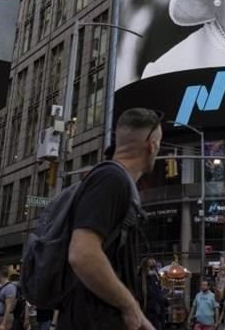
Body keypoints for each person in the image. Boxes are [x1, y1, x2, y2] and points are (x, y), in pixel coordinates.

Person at [60, 108, 162, 329]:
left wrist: (140, 317)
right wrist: (129, 307)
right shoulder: (111, 179)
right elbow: (82, 254)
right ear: (151, 145)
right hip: (93, 320)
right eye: (159, 144)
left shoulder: (115, 180)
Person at [140, 259, 166, 330]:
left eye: (155, 266)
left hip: (158, 314)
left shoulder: (155, 278)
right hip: (147, 314)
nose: (154, 269)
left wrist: (165, 299)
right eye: (151, 267)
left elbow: (159, 295)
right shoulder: (141, 280)